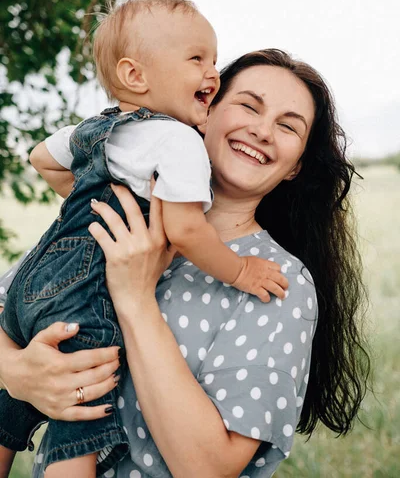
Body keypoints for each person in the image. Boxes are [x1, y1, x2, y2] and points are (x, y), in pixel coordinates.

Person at [0, 49, 370, 478]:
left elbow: (208, 469)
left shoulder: (275, 280)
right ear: (206, 112)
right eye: (249, 105)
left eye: (288, 126)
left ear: (295, 167)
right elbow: (14, 302)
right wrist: (17, 371)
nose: (263, 130)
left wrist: (136, 299)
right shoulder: (118, 210)